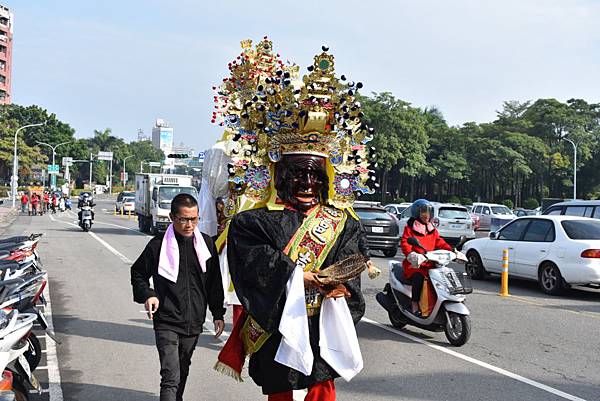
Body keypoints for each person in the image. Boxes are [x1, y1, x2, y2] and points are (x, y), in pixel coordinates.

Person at [214, 39, 374, 401]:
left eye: (315, 176)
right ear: (277, 176)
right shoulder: (251, 223)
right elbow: (252, 269)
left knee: (320, 392)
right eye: (296, 175)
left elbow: (350, 268)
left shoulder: (343, 223)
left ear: (328, 179)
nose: (306, 183)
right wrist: (296, 276)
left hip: (322, 328)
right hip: (278, 329)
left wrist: (340, 287)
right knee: (283, 393)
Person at [131, 193, 226, 401]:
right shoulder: (157, 246)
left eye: (194, 219)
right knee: (170, 376)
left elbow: (214, 283)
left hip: (194, 321)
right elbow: (138, 273)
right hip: (167, 319)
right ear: (173, 217)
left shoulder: (207, 245)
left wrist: (218, 313)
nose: (189, 225)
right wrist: (149, 294)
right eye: (183, 219)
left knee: (183, 369)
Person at [400, 199, 452, 316]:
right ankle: (414, 303)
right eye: (423, 212)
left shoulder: (432, 230)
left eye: (428, 213)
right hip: (415, 264)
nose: (426, 216)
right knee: (418, 276)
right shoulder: (410, 229)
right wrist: (411, 254)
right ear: (417, 213)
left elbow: (440, 242)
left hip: (431, 263)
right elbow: (405, 243)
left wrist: (451, 250)